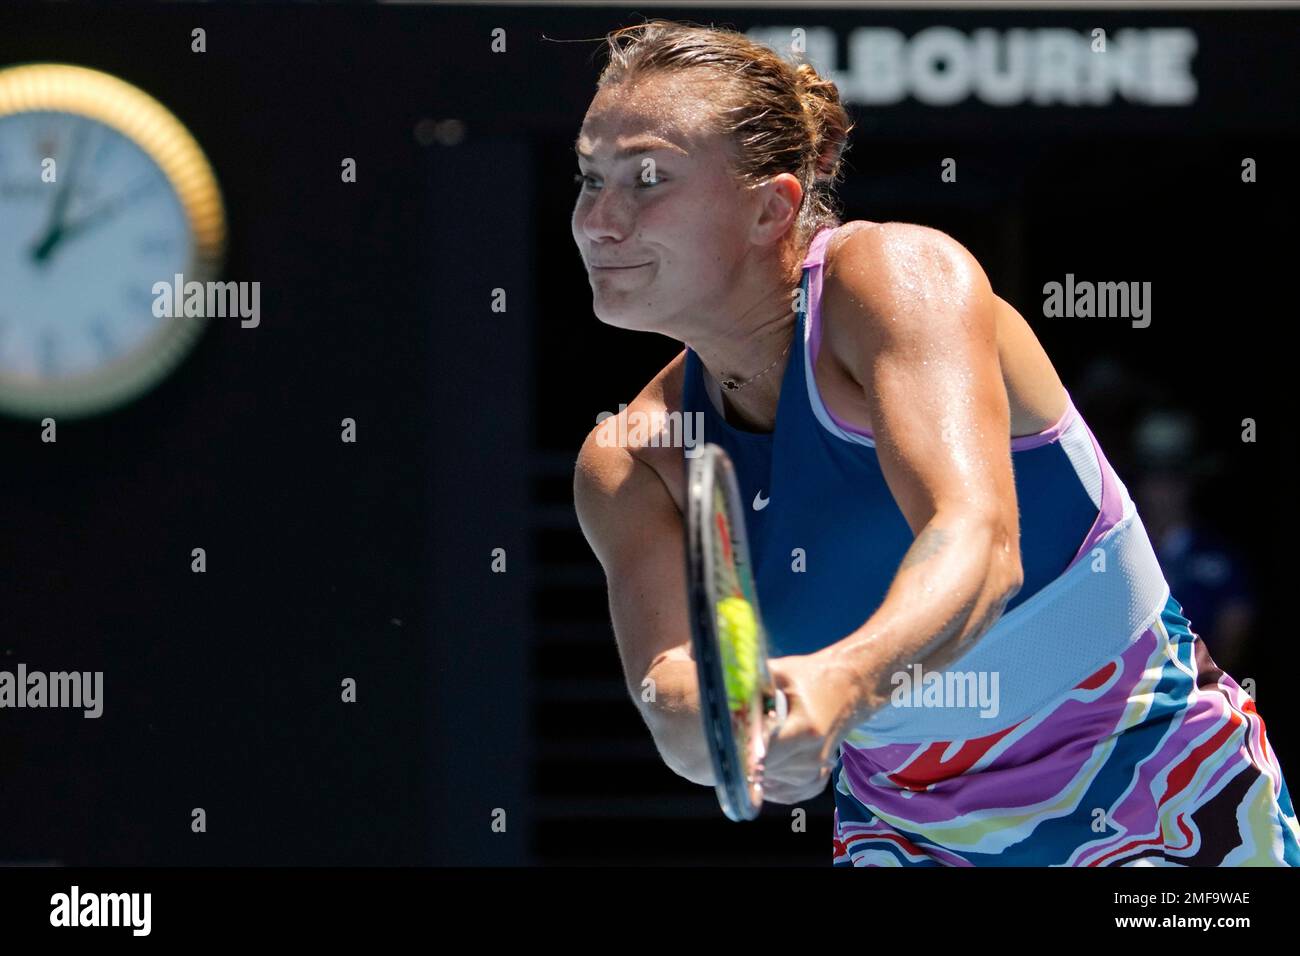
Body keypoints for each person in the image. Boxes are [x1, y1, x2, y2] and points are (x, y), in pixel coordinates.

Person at [571, 19, 1299, 866]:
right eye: (588, 179)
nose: (597, 221)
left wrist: (840, 682)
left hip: (1159, 797)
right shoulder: (628, 461)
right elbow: (677, 707)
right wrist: (745, 729)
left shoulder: (897, 279)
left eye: (646, 178)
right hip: (908, 839)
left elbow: (980, 543)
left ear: (772, 206)